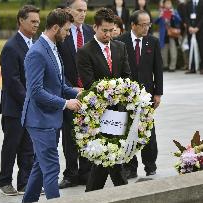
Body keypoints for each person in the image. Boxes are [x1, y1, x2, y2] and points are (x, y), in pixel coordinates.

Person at [21, 9, 82, 203]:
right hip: (39, 120)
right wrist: (66, 103)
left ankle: (27, 202)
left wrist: (79, 92)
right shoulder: (37, 53)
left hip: (50, 118)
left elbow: (60, 85)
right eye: (66, 30)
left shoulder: (53, 47)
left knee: (41, 166)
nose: (67, 34)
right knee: (52, 168)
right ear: (55, 27)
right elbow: (36, 92)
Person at [76, 8, 131, 192]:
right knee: (109, 156)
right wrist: (115, 91)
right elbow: (90, 84)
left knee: (108, 157)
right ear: (95, 28)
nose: (108, 34)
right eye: (104, 30)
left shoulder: (120, 47)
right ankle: (124, 193)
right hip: (99, 113)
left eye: (111, 30)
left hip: (119, 111)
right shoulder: (85, 52)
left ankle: (92, 195)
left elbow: (126, 77)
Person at [0, 5, 40, 196]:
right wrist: (31, 100)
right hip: (15, 108)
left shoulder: (35, 44)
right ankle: (5, 181)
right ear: (20, 21)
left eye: (38, 22)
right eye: (32, 21)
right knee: (11, 146)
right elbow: (12, 81)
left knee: (28, 148)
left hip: (31, 108)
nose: (36, 25)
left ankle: (25, 183)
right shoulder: (11, 47)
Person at [116, 10, 163, 179]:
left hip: (147, 95)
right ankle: (130, 167)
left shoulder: (153, 42)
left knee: (148, 131)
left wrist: (158, 93)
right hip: (127, 95)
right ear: (133, 25)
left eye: (148, 24)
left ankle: (150, 165)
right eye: (143, 25)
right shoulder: (120, 41)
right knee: (129, 130)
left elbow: (158, 69)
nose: (146, 28)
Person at [57, 0, 94, 189]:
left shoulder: (89, 32)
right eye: (79, 10)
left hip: (89, 92)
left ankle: (86, 173)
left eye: (85, 11)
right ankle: (70, 174)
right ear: (68, 11)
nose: (82, 14)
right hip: (68, 91)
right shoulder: (61, 33)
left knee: (87, 133)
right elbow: (58, 64)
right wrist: (69, 89)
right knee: (70, 136)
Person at [155, 0, 181, 72]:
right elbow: (155, 22)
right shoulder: (161, 11)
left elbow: (179, 20)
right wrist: (160, 16)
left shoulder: (174, 11)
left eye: (169, 3)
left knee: (173, 51)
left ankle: (172, 67)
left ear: (171, 4)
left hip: (172, 34)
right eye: (166, 3)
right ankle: (165, 65)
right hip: (164, 34)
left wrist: (174, 15)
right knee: (163, 51)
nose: (168, 4)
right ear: (164, 4)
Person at [185, 0, 203, 74]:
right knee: (191, 48)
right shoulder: (188, 3)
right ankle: (192, 67)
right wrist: (189, 27)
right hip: (190, 30)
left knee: (201, 48)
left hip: (200, 30)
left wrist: (197, 28)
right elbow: (186, 16)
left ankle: (202, 67)